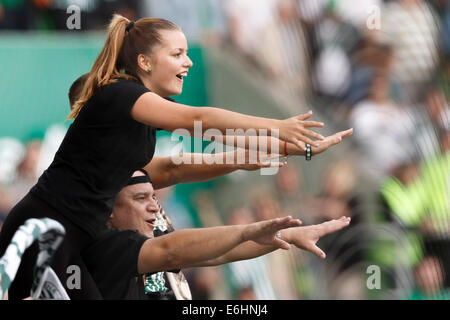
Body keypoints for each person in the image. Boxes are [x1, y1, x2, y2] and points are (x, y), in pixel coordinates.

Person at [0, 14, 351, 300]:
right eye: (178, 53)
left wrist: (294, 147)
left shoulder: (142, 116)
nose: (189, 61)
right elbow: (199, 121)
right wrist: (276, 128)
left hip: (76, 239)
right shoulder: (121, 94)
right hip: (42, 231)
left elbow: (172, 168)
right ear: (144, 62)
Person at [82, 169, 351, 299]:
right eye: (141, 199)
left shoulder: (151, 236)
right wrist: (247, 229)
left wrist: (287, 237)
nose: (154, 206)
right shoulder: (109, 247)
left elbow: (216, 254)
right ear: (110, 213)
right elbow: (171, 250)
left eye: (154, 197)